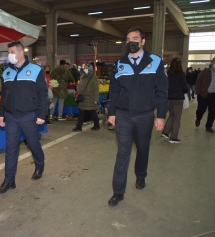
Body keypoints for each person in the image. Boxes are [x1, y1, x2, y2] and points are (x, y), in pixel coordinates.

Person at [107, 26, 168, 206]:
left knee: (142, 149)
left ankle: (140, 176)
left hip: (145, 116)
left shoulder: (155, 62)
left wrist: (161, 115)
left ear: (142, 41)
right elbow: (114, 90)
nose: (131, 42)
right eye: (128, 39)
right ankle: (118, 191)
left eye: (135, 38)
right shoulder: (120, 63)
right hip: (123, 115)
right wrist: (111, 112)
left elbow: (162, 91)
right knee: (122, 153)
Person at [0, 41, 48, 194]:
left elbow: (42, 94)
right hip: (11, 117)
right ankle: (9, 180)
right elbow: (4, 96)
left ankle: (39, 165)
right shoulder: (7, 72)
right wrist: (1, 113)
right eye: (8, 52)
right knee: (11, 149)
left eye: (12, 52)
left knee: (33, 145)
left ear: (20, 52)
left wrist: (42, 114)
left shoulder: (36, 70)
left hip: (29, 116)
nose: (9, 55)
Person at [162, 58, 188, 143]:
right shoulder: (181, 74)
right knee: (177, 117)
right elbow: (184, 87)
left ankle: (166, 132)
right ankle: (173, 137)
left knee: (172, 115)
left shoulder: (167, 74)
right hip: (178, 99)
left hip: (168, 98)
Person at [72, 63, 100, 131]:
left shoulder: (94, 77)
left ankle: (97, 125)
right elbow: (81, 87)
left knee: (92, 112)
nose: (85, 69)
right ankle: (79, 127)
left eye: (87, 68)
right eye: (85, 68)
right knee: (81, 112)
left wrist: (95, 99)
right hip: (83, 98)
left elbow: (96, 90)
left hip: (90, 98)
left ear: (90, 69)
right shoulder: (83, 77)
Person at [195, 57, 215, 133]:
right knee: (201, 109)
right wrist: (198, 92)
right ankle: (198, 118)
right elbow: (198, 81)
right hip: (203, 95)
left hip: (214, 96)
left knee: (213, 111)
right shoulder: (205, 72)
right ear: (212, 62)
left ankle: (209, 126)